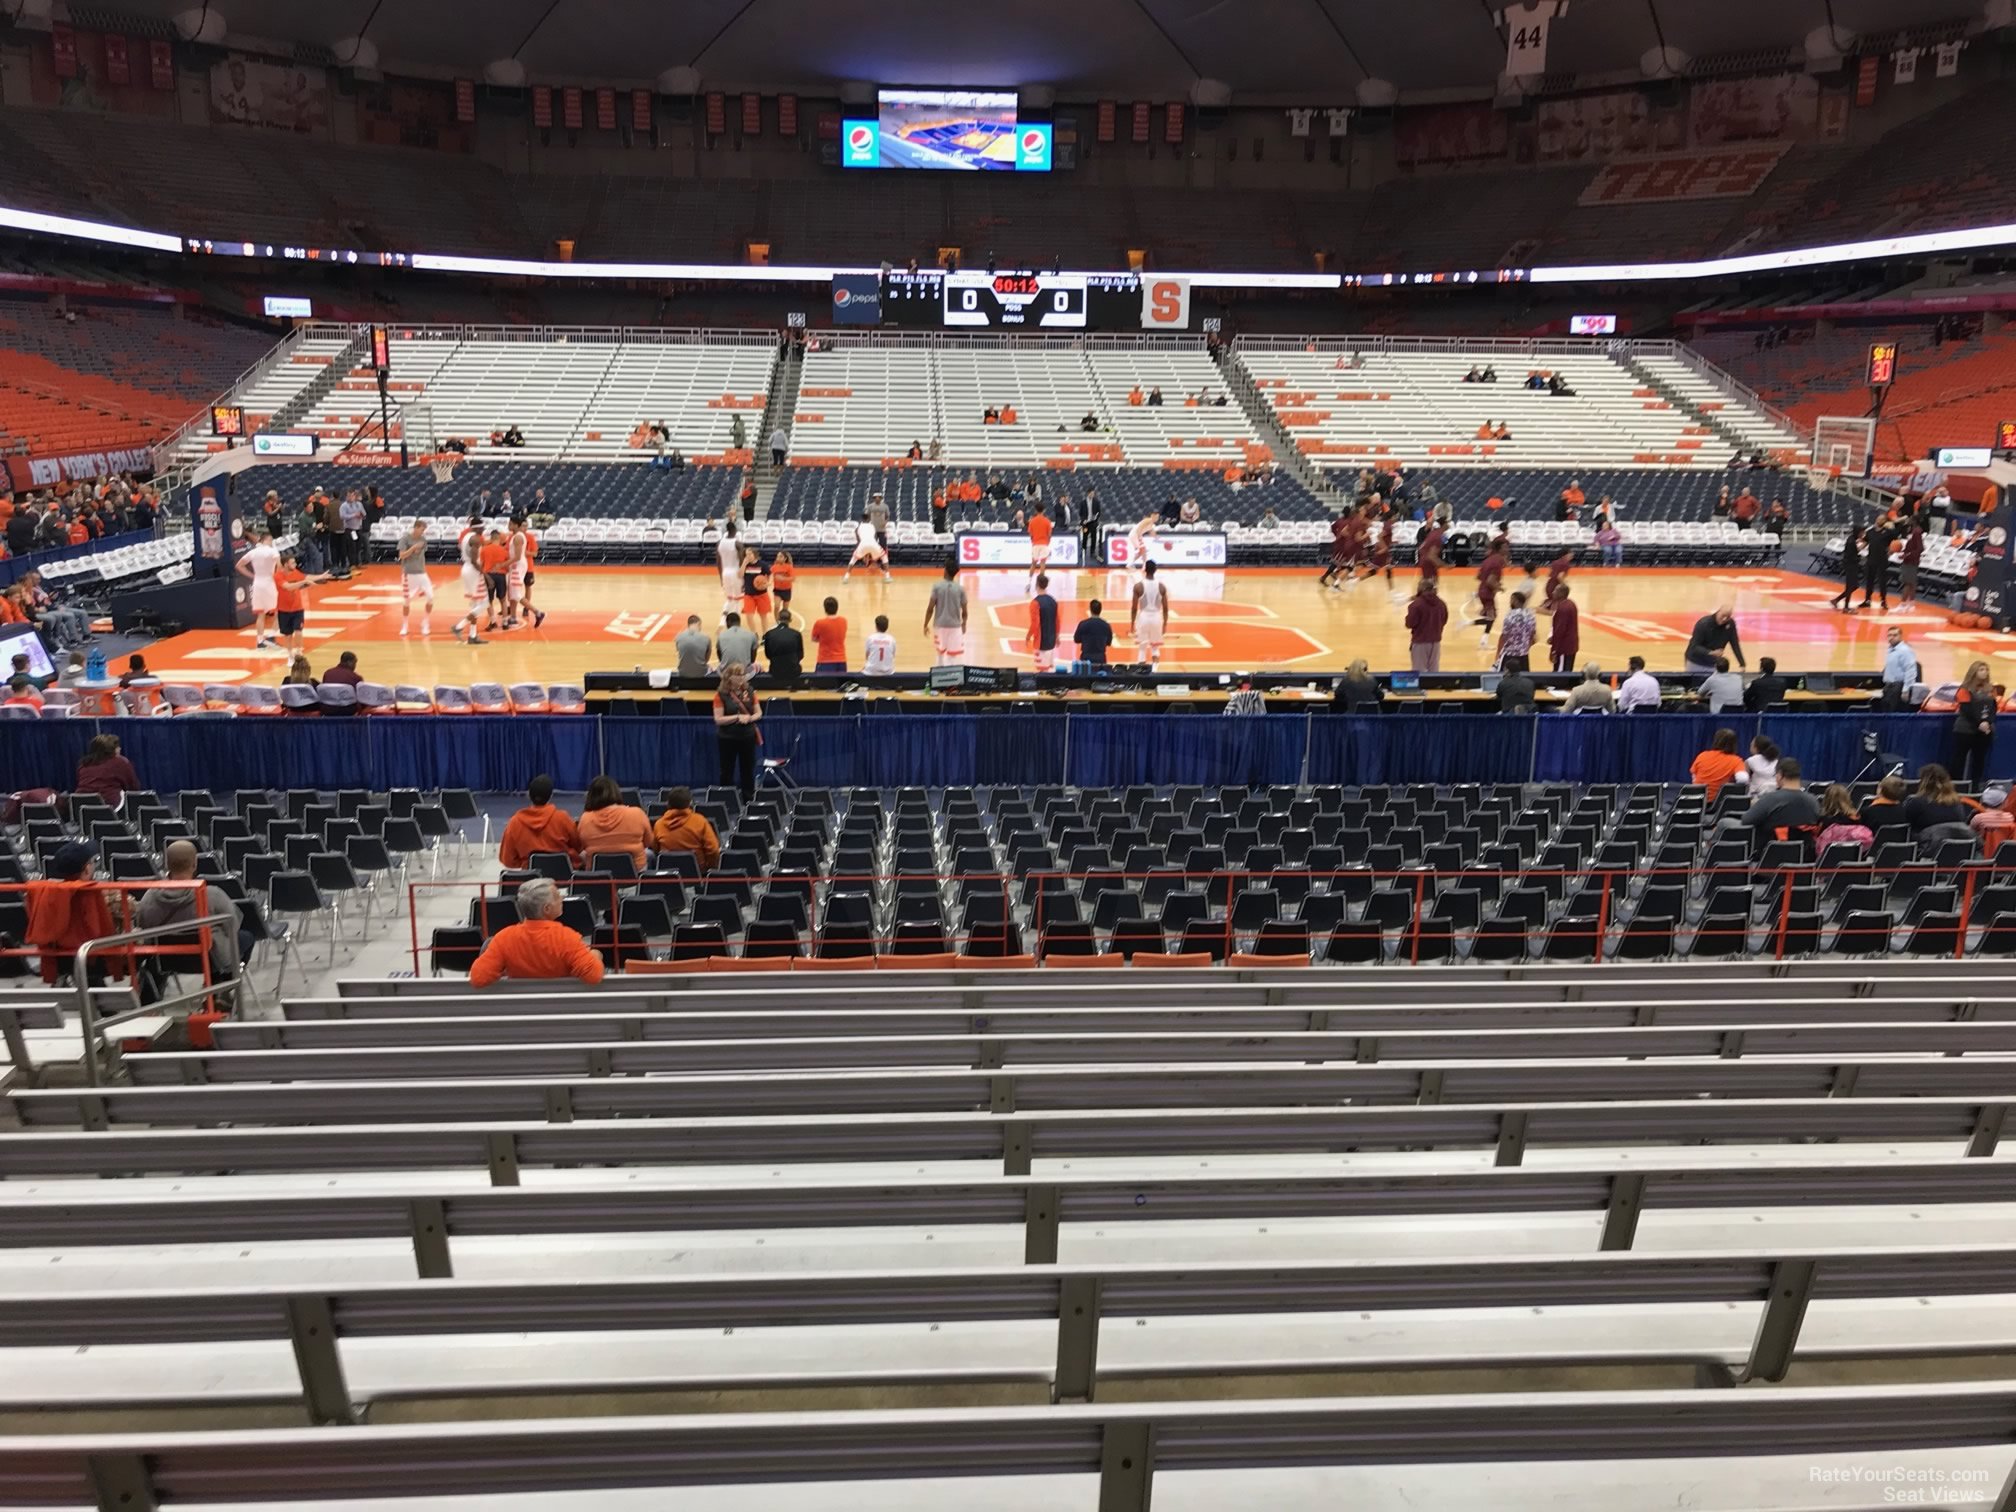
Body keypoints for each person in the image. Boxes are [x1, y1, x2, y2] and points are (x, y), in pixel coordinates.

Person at [134, 839, 252, 996]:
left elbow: (144, 929)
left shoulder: (149, 897)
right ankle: (221, 987)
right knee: (246, 937)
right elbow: (233, 925)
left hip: (165, 960)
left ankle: (151, 999)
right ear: (194, 864)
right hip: (209, 960)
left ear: (166, 864)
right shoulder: (212, 894)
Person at [469, 876, 604, 988]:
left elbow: (478, 977)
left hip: (519, 1010)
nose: (562, 899)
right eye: (557, 897)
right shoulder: (566, 938)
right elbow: (594, 976)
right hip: (560, 1008)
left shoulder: (504, 938)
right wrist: (595, 955)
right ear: (547, 909)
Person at [24, 840, 120, 986]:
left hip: (59, 959)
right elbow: (103, 930)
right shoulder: (90, 894)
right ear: (87, 869)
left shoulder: (48, 894)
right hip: (91, 959)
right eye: (93, 862)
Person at [499, 774, 584, 870]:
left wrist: (526, 863)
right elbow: (578, 846)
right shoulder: (562, 818)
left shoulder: (515, 822)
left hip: (531, 877)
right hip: (564, 876)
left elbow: (507, 860)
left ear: (529, 796)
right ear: (551, 795)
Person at [1741, 757, 1819, 853]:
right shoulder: (1813, 801)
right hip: (1803, 856)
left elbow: (1746, 820)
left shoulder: (1770, 799)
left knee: (1725, 822)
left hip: (1769, 855)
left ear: (1780, 775)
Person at [577, 776, 654, 871]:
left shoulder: (585, 818)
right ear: (616, 792)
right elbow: (649, 842)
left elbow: (581, 846)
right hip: (635, 870)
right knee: (650, 854)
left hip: (598, 872)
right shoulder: (637, 813)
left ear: (590, 796)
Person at [714, 661, 762, 797]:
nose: (741, 678)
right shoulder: (720, 695)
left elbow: (758, 713)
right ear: (729, 677)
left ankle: (748, 798)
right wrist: (737, 717)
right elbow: (718, 719)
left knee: (747, 770)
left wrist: (749, 718)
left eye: (743, 675)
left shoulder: (750, 691)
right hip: (727, 738)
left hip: (747, 736)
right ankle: (727, 798)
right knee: (727, 771)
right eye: (738, 675)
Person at [652, 786, 720, 871]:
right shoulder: (700, 821)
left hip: (668, 873)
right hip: (698, 872)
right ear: (690, 804)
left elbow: (655, 849)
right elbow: (713, 850)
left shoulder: (659, 824)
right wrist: (709, 868)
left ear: (668, 804)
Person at [1952, 659, 1997, 786]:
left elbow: (1993, 708)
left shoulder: (1991, 689)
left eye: (1986, 670)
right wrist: (1980, 723)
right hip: (1965, 729)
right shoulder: (1964, 689)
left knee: (1979, 761)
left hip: (1984, 731)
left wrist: (1988, 722)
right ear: (1974, 672)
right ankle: (1957, 786)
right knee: (1959, 760)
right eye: (1981, 669)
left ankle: (1975, 786)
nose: (1985, 672)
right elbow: (1966, 709)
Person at [236, 529, 282, 650]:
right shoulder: (272, 551)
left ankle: (260, 641)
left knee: (260, 614)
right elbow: (280, 566)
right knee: (279, 611)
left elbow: (239, 566)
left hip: (257, 583)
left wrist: (251, 576)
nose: (272, 542)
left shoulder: (253, 552)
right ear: (267, 540)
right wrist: (278, 578)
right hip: (269, 583)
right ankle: (272, 636)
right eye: (271, 540)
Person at [1903, 763, 1974, 839]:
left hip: (1925, 848)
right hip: (1958, 849)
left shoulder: (1917, 803)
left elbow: (1905, 825)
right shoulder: (1957, 803)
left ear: (1923, 782)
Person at [73, 733, 140, 805]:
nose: (120, 748)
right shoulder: (121, 762)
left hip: (80, 804)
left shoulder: (83, 764)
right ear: (112, 749)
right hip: (110, 805)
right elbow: (133, 788)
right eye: (117, 747)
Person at [394, 521, 434, 638]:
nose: (423, 532)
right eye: (422, 529)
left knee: (431, 597)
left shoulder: (423, 540)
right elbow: (401, 555)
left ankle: (425, 622)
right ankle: (405, 625)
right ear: (415, 528)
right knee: (407, 601)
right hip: (408, 574)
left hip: (421, 572)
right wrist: (412, 548)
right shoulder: (405, 539)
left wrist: (416, 549)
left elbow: (420, 552)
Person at [1690, 729, 1749, 802]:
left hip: (1696, 800)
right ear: (1734, 744)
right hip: (1718, 804)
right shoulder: (1736, 761)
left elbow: (1694, 777)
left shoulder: (1702, 755)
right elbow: (1743, 779)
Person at [1131, 560, 1170, 669]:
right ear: (1155, 570)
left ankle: (1141, 673)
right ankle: (1155, 672)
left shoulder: (1138, 586)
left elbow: (1134, 608)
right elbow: (1166, 608)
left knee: (1142, 647)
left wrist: (1132, 622)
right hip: (1156, 617)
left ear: (1144, 570)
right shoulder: (1161, 586)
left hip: (1144, 616)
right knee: (1155, 647)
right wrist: (1165, 623)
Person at [1404, 580, 1448, 673]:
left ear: (1421, 589)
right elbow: (1444, 620)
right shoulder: (1441, 603)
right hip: (1436, 641)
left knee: (1419, 672)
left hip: (1420, 641)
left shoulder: (1416, 605)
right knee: (1434, 671)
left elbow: (1409, 624)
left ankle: (1422, 688)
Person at [1684, 608, 1745, 674]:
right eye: (1723, 615)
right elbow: (1694, 647)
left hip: (1713, 664)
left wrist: (1742, 663)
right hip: (1695, 662)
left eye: (1728, 617)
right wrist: (1711, 652)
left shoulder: (1730, 624)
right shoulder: (1703, 624)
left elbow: (1735, 644)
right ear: (1717, 613)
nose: (1724, 619)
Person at [1815, 785, 1874, 854]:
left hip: (1828, 859)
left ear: (1826, 800)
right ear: (1847, 798)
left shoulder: (1824, 822)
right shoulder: (1857, 819)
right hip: (1854, 858)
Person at [761, 608, 805, 688]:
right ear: (790, 620)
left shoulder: (769, 634)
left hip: (775, 671)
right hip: (793, 671)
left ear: (778, 619)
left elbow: (768, 655)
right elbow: (801, 655)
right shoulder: (796, 634)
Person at [842, 514, 891, 584]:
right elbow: (875, 537)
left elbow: (858, 540)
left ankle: (846, 577)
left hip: (863, 544)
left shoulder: (858, 528)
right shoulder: (872, 526)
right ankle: (887, 576)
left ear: (861, 519)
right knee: (884, 556)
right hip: (873, 543)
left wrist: (862, 552)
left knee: (853, 559)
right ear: (869, 519)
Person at [1026, 574, 1060, 672]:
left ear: (1036, 585)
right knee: (1049, 668)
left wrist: (1028, 636)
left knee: (1042, 671)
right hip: (1051, 639)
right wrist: (1057, 636)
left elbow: (1035, 624)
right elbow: (1057, 620)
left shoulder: (1035, 603)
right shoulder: (1053, 601)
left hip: (1041, 641)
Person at [479, 528, 511, 632]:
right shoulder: (504, 550)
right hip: (501, 576)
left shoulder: (484, 549)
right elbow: (508, 566)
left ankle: (493, 622)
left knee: (489, 601)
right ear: (499, 538)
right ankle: (505, 622)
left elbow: (481, 565)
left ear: (491, 538)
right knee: (503, 600)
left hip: (489, 576)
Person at [1496, 591, 1536, 674]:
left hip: (1509, 654)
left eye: (1511, 599)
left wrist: (1498, 654)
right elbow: (1532, 635)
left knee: (1504, 678)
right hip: (1524, 655)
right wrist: (1525, 648)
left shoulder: (1510, 615)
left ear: (1516, 601)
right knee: (1524, 679)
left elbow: (1504, 636)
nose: (1510, 602)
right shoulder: (1530, 615)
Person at [1881, 626, 1919, 711]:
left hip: (1898, 688)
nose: (1892, 637)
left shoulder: (1905, 650)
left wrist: (1906, 690)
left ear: (1900, 636)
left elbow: (1910, 670)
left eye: (1895, 635)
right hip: (1889, 687)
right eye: (1889, 635)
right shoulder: (1891, 650)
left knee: (1894, 712)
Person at [1829, 526, 1865, 612]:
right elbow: (1851, 555)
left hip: (1851, 565)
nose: (1863, 534)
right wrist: (1859, 558)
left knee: (1854, 586)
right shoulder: (1851, 542)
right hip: (1850, 565)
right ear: (1858, 532)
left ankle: (1836, 600)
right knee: (1850, 586)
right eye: (1862, 533)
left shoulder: (1851, 539)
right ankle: (1846, 607)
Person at [810, 598, 848, 675]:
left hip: (825, 660)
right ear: (837, 608)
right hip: (841, 660)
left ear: (825, 608)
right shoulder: (843, 621)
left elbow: (814, 639)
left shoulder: (820, 623)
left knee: (823, 685)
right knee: (840, 685)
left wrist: (823, 639)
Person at [1547, 585, 1579, 674]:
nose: (1553, 592)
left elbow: (1560, 631)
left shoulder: (1562, 608)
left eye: (1556, 591)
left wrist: (1554, 650)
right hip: (1571, 645)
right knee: (1567, 671)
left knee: (1560, 674)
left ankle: (1558, 687)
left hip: (1563, 648)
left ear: (1561, 593)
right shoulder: (1571, 603)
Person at [715, 520, 743, 623]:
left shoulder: (719, 543)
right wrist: (743, 576)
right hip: (736, 572)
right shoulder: (738, 543)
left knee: (729, 598)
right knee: (737, 599)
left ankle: (722, 621)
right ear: (735, 530)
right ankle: (736, 623)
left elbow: (718, 562)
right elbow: (741, 561)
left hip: (725, 573)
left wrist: (721, 577)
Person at [1073, 600, 1113, 667]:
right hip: (1100, 658)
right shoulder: (1106, 625)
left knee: (1085, 675)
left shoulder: (1083, 624)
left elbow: (1076, 639)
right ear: (1100, 610)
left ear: (1090, 609)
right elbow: (1109, 642)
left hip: (1086, 657)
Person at [1025, 507, 1053, 592]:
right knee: (1042, 564)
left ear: (1036, 511)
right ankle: (1041, 585)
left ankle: (1029, 583)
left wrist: (1033, 541)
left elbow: (1030, 533)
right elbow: (1049, 534)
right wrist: (1047, 542)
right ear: (1043, 510)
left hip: (1035, 544)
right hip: (1044, 544)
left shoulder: (1032, 521)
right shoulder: (1047, 521)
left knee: (1033, 564)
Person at [1898, 519, 1924, 604]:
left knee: (1908, 583)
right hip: (1911, 560)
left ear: (1914, 521)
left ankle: (1903, 604)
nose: (1907, 520)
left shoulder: (1916, 532)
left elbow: (1920, 548)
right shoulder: (1914, 531)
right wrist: (1904, 552)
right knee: (1912, 583)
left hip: (1911, 561)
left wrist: (1907, 555)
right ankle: (1911, 603)